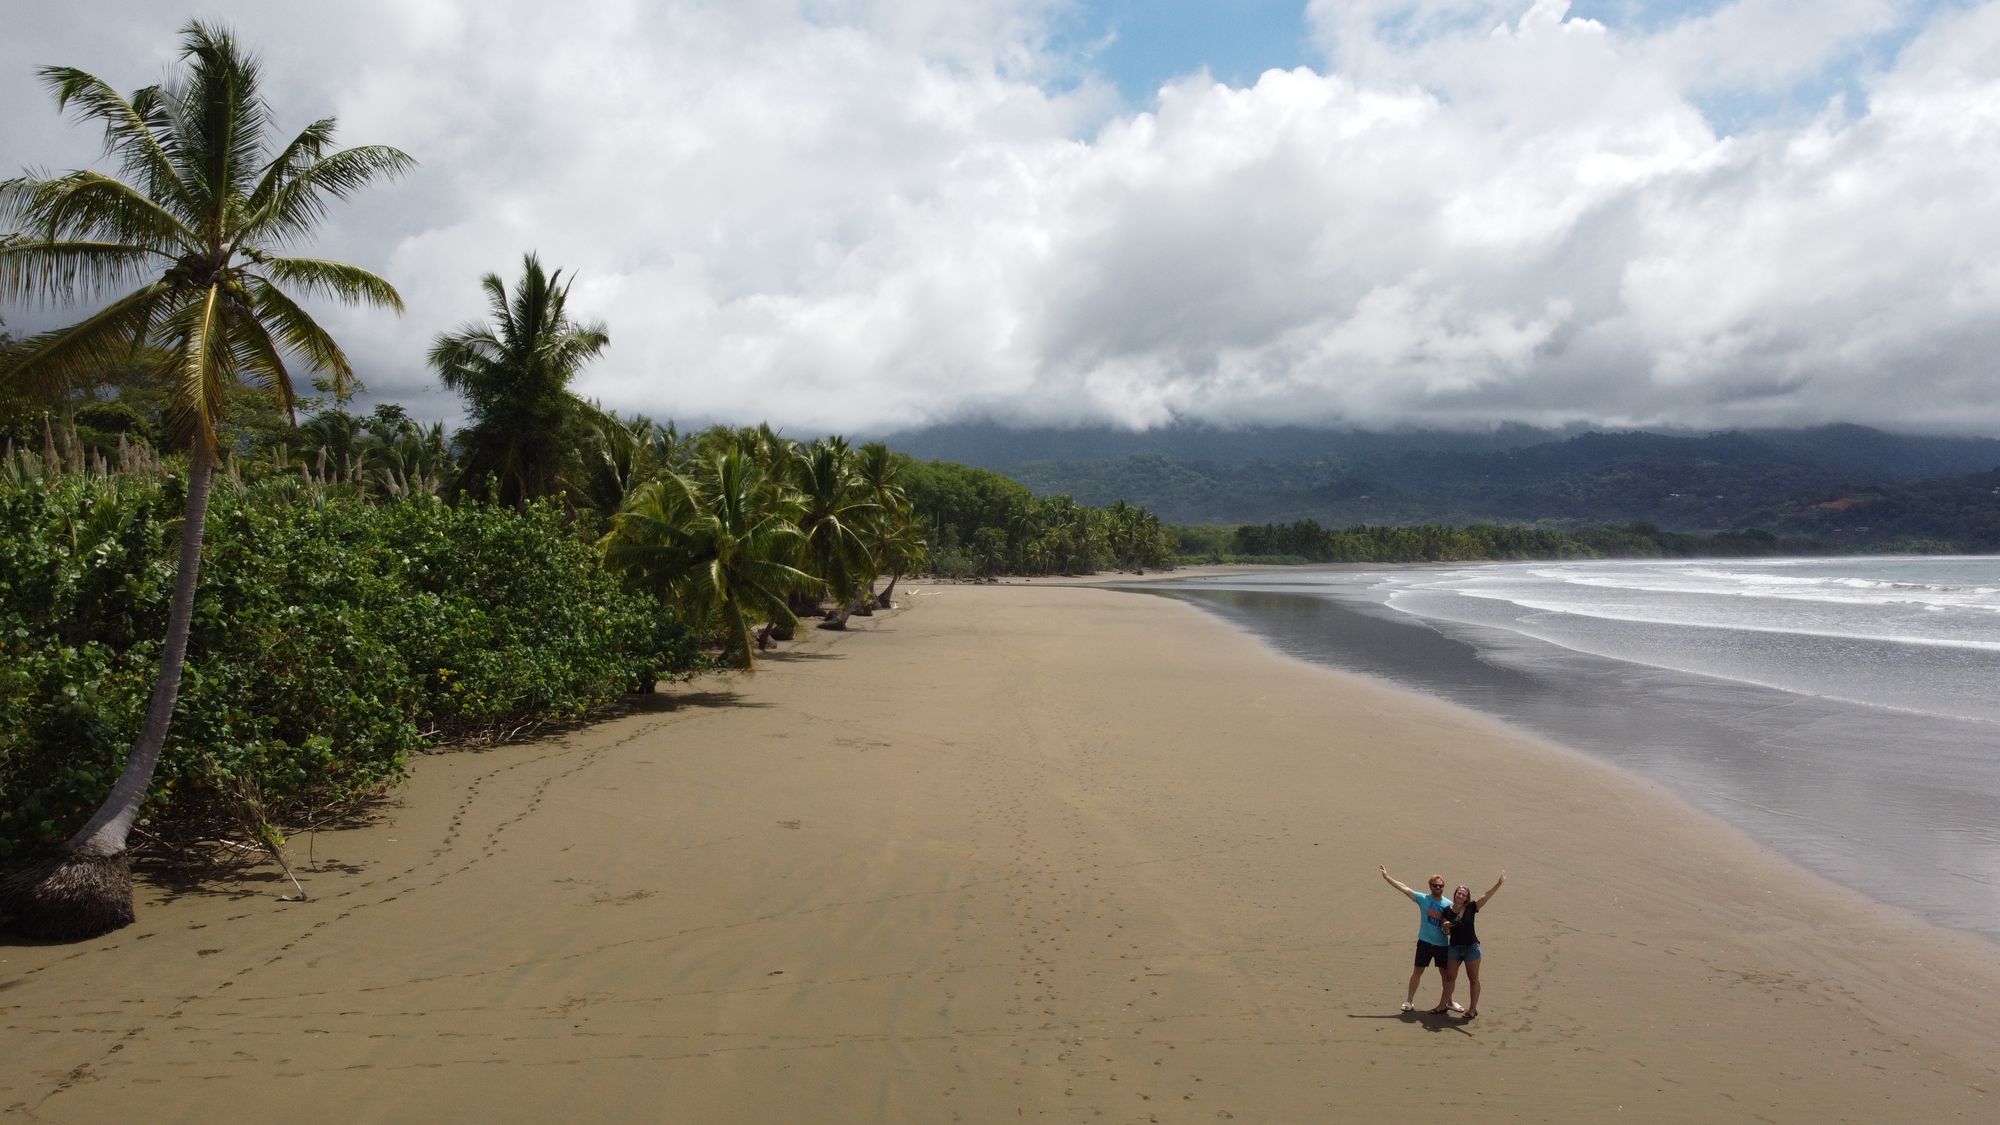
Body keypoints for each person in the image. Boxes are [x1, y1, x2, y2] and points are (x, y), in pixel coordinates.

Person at [1378, 865, 1459, 1013]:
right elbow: (1404, 888)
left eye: (1441, 886)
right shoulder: (1423, 899)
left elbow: (1458, 919)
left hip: (1442, 945)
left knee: (1446, 975)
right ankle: (1409, 1001)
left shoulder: (1448, 904)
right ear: (1430, 886)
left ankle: (1449, 1001)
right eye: (1435, 885)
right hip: (1425, 943)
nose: (1438, 888)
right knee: (1417, 971)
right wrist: (1387, 877)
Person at [1434, 872, 1505, 1019]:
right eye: (1459, 893)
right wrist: (1446, 926)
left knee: (1473, 979)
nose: (1460, 896)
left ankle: (1472, 1009)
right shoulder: (1447, 910)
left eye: (1463, 895)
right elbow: (1445, 930)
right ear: (1455, 895)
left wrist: (1498, 884)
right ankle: (1443, 1005)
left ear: (1467, 898)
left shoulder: (1471, 907)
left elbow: (1485, 897)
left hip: (1471, 948)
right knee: (1449, 977)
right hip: (1454, 948)